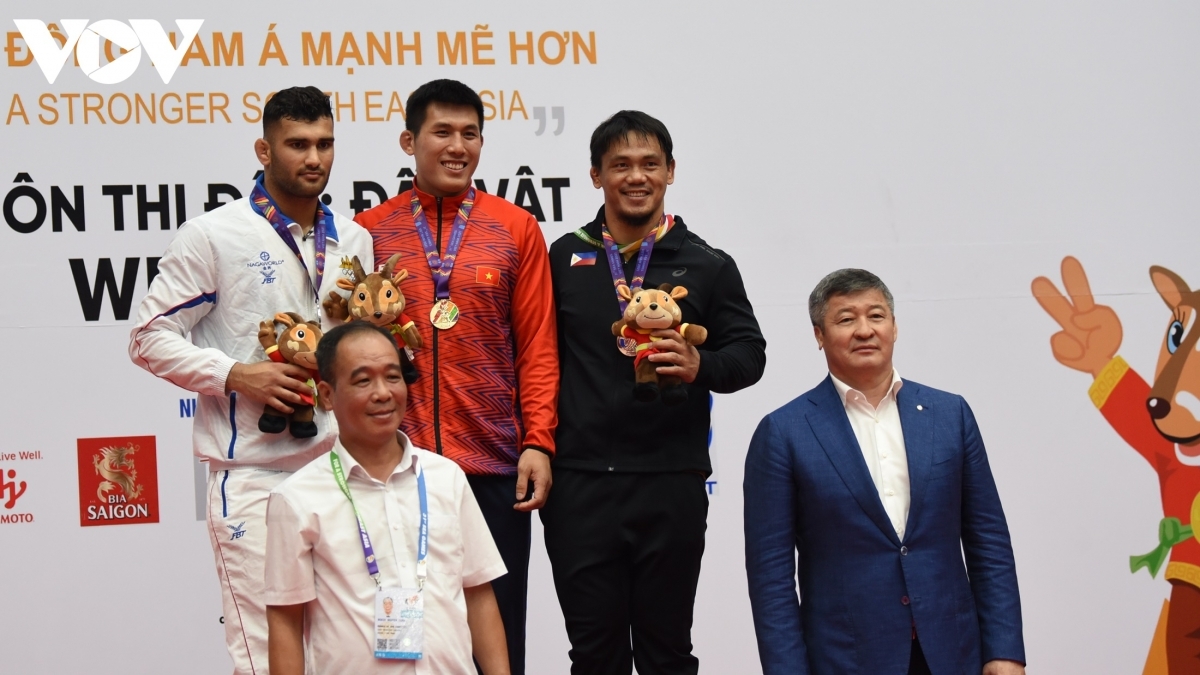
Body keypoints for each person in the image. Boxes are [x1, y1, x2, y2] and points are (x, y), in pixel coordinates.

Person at [128, 86, 373, 674]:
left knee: (346, 654)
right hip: (254, 479)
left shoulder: (354, 240)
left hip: (339, 472)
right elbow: (147, 337)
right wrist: (237, 374)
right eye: (297, 144)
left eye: (324, 144)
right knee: (267, 656)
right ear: (264, 150)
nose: (314, 158)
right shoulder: (213, 235)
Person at [542, 110, 766, 674]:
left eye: (649, 164)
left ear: (670, 171)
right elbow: (538, 360)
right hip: (580, 485)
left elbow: (750, 355)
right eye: (620, 165)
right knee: (594, 657)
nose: (636, 176)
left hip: (671, 481)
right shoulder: (563, 257)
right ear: (596, 175)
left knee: (667, 654)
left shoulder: (708, 264)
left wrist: (699, 364)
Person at [354, 79, 557, 675]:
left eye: (470, 134)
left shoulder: (516, 228)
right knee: (399, 639)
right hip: (396, 468)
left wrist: (538, 441)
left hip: (493, 468)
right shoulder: (369, 232)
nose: (457, 146)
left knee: (498, 638)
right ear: (409, 141)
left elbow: (537, 349)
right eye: (442, 132)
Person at [743, 268, 1026, 675]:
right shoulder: (784, 432)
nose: (864, 330)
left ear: (894, 327)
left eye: (876, 316)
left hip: (953, 652)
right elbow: (771, 578)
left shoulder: (950, 415)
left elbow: (989, 541)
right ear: (819, 335)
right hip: (846, 659)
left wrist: (1004, 651)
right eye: (846, 319)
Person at [264, 321, 509, 674]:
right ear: (327, 395)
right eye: (363, 381)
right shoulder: (296, 498)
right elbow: (285, 621)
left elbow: (478, 594)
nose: (383, 393)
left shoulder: (447, 478)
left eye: (393, 377)